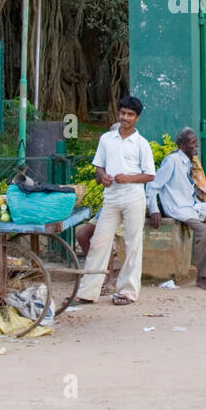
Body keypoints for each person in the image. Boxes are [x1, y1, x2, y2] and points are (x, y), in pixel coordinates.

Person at [75, 96, 155, 306]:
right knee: (99, 243)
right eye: (122, 113)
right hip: (110, 199)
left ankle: (127, 292)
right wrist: (103, 176)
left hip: (133, 199)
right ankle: (88, 291)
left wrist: (129, 177)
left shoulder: (141, 143)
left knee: (132, 244)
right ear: (118, 113)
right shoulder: (106, 139)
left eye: (130, 114)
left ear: (137, 118)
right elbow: (99, 166)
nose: (125, 118)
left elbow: (149, 175)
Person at [146, 126, 206, 290]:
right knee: (204, 231)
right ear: (182, 146)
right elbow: (153, 186)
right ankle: (202, 277)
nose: (196, 146)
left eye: (196, 142)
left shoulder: (189, 161)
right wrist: (154, 210)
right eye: (192, 143)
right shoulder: (172, 161)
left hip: (192, 206)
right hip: (178, 208)